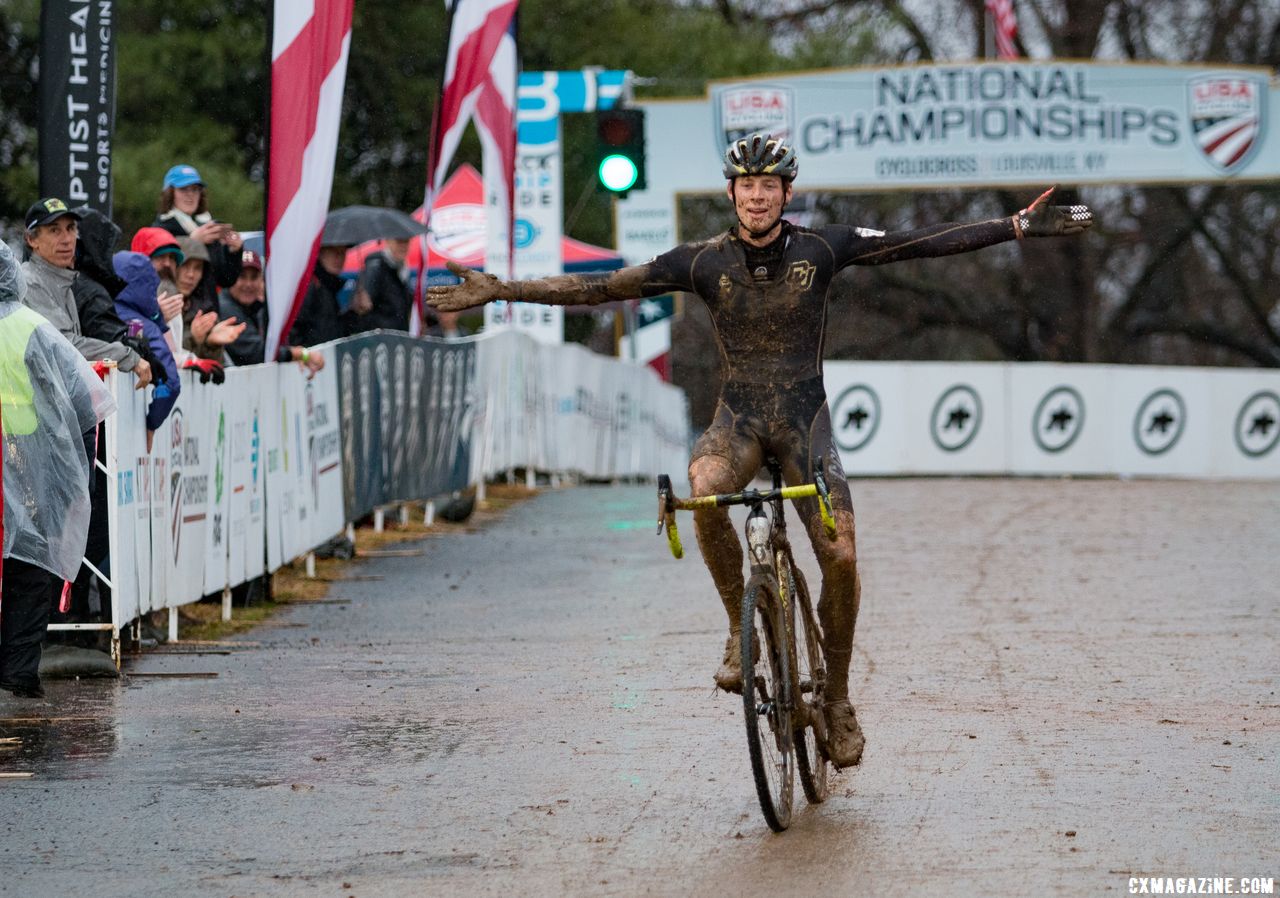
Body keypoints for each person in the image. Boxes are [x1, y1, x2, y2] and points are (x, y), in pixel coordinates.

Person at [428, 132, 1094, 769]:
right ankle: (735, 630)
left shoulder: (824, 248)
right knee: (703, 484)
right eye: (746, 185)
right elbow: (603, 287)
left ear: (786, 192)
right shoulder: (702, 261)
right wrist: (501, 289)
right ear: (730, 192)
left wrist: (1013, 227)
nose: (756, 196)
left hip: (806, 423)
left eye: (768, 185)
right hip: (740, 421)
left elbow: (916, 242)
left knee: (840, 554)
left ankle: (835, 698)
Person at [0, 241, 116, 698]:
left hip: (19, 460)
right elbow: (86, 400)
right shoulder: (32, 326)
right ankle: (19, 671)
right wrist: (73, 477)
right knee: (29, 564)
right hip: (27, 461)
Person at [19, 198, 151, 390]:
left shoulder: (62, 278)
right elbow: (65, 344)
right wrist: (126, 355)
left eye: (71, 228)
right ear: (32, 240)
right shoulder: (29, 281)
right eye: (54, 230)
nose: (66, 239)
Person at [153, 164, 243, 316]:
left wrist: (234, 251)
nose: (190, 195)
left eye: (195, 189)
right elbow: (160, 273)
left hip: (208, 313)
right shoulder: (159, 229)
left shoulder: (208, 227)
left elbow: (226, 279)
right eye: (183, 189)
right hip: (175, 312)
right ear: (170, 193)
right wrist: (191, 242)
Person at [217, 249, 324, 373]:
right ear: (230, 278)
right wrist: (299, 354)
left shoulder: (254, 307)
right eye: (242, 277)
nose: (248, 284)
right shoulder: (225, 307)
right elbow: (258, 353)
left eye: (254, 277)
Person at [175, 236, 244, 364]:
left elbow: (215, 374)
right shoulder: (157, 304)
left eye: (197, 268)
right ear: (173, 266)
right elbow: (161, 355)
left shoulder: (205, 310)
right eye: (185, 265)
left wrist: (211, 344)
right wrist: (193, 338)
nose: (191, 275)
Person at [286, 243, 357, 347]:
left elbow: (334, 329)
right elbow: (294, 329)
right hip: (315, 360)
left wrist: (357, 312)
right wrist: (306, 356)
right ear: (320, 252)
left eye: (342, 252)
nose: (338, 257)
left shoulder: (331, 286)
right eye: (333, 251)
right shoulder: (311, 284)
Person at [350, 237, 412, 333]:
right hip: (381, 340)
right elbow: (364, 308)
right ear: (388, 241)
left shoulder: (402, 271)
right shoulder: (376, 268)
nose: (403, 246)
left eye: (406, 241)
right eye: (399, 241)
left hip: (397, 339)